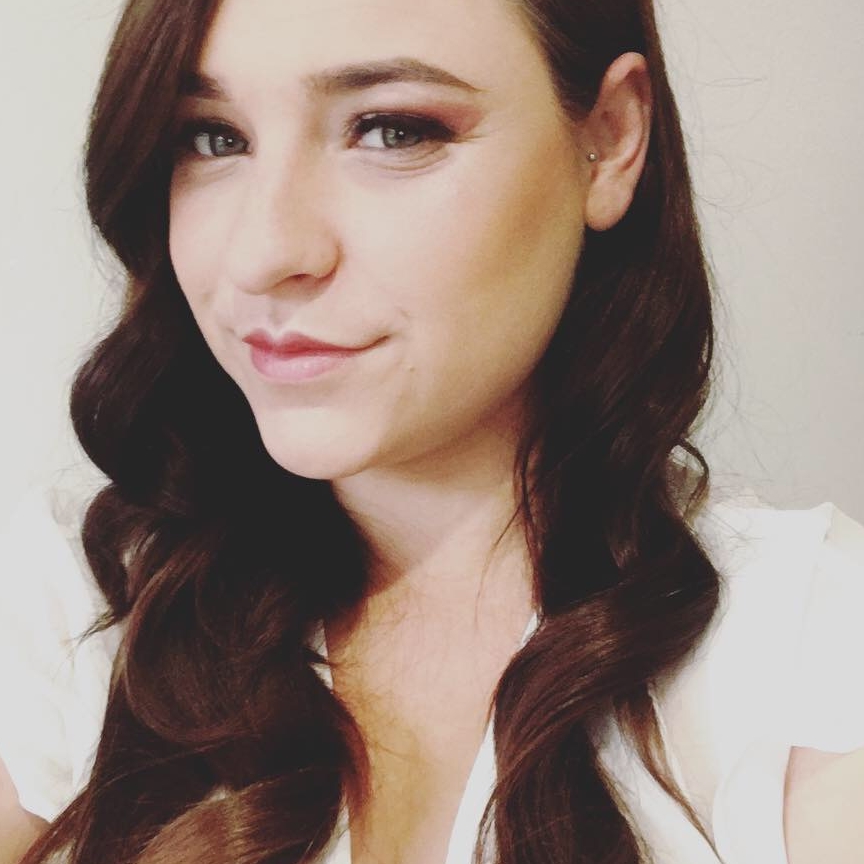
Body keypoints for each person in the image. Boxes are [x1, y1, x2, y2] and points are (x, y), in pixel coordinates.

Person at [1, 0, 862, 862]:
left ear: (609, 138)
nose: (264, 253)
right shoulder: (73, 607)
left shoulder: (808, 650)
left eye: (393, 130)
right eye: (213, 138)